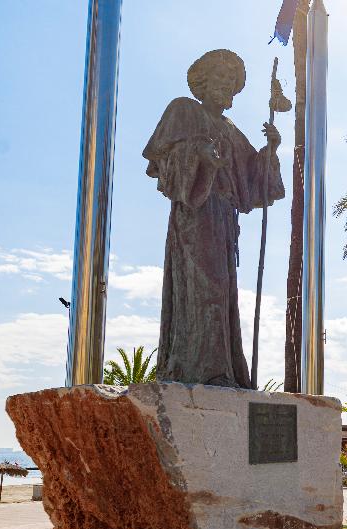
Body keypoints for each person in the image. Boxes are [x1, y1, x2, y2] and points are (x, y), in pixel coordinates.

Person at [144, 49, 284, 387]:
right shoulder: (183, 110)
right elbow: (161, 164)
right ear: (203, 83)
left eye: (231, 82)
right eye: (220, 78)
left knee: (223, 292)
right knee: (203, 287)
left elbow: (252, 178)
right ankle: (197, 367)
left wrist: (271, 151)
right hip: (195, 214)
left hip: (223, 219)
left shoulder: (231, 129)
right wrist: (198, 156)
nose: (226, 85)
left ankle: (224, 369)